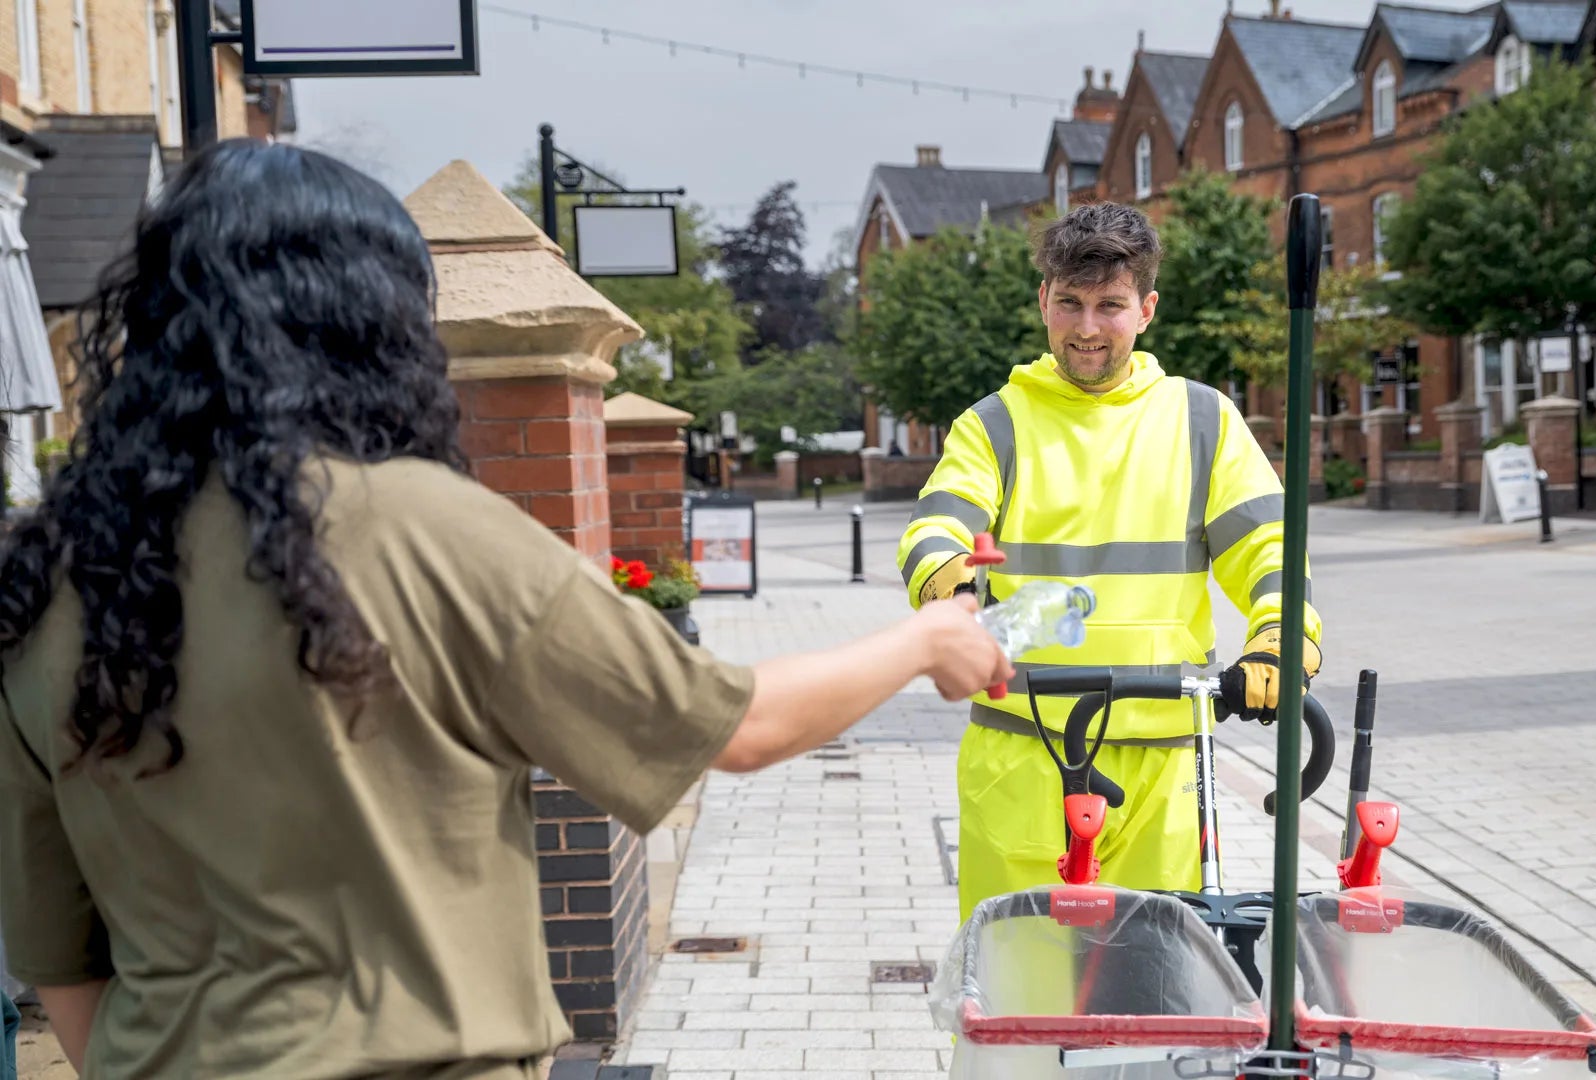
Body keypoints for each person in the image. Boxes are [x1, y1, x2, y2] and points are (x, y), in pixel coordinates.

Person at [0, 140, 1012, 1080]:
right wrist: (927, 638)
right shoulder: (430, 534)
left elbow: (63, 966)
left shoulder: (50, 582)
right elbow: (737, 726)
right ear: (372, 322)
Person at [897, 202, 1323, 921]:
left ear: (1146, 309)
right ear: (1043, 302)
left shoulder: (1202, 421)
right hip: (1024, 753)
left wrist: (1279, 641)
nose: (1087, 328)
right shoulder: (995, 424)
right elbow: (937, 525)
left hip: (1166, 760)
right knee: (1016, 997)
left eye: (1110, 306)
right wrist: (951, 583)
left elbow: (1269, 547)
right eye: (1070, 303)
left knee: (1154, 997)